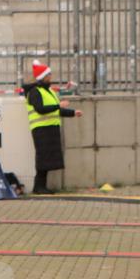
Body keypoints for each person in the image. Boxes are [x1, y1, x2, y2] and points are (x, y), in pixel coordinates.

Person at [22, 60, 82, 194]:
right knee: (43, 157)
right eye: (48, 75)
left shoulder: (49, 91)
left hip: (50, 128)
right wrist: (58, 106)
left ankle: (41, 186)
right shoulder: (34, 92)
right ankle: (39, 186)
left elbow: (56, 111)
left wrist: (73, 113)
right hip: (41, 129)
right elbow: (41, 109)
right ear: (42, 77)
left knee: (47, 157)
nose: (51, 77)